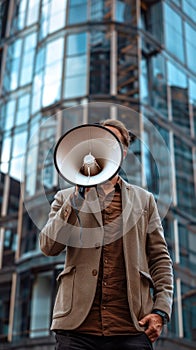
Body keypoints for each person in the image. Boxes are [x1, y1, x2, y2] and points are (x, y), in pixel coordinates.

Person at [39, 119, 173, 350]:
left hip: (131, 326)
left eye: (114, 142)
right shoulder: (65, 197)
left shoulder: (144, 200)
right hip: (76, 327)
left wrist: (161, 311)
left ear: (124, 152)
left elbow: (160, 259)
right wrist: (77, 197)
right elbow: (48, 246)